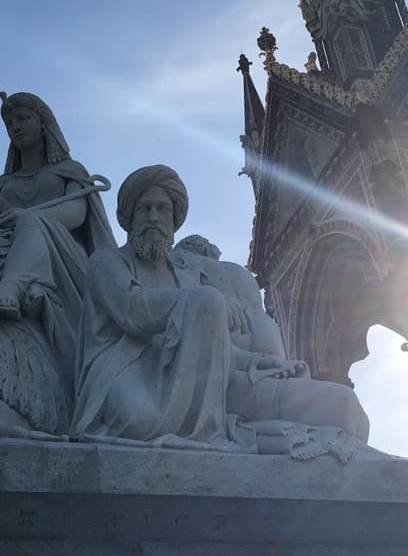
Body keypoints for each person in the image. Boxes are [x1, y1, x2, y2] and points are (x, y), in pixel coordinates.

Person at [72, 165, 368, 447]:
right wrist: (206, 301)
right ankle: (233, 434)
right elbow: (133, 310)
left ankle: (254, 432)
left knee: (342, 406)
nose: (153, 217)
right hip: (127, 370)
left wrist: (260, 363)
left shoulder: (187, 280)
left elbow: (215, 346)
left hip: (206, 383)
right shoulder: (106, 263)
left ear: (174, 219)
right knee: (140, 422)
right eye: (144, 208)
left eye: (162, 209)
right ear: (128, 217)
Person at [0, 92, 115, 330]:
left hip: (53, 247)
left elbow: (76, 212)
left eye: (23, 118)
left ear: (43, 123)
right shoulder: (4, 183)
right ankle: (6, 274)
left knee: (29, 222)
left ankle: (16, 283)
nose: (16, 127)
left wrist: (29, 219)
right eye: (9, 124)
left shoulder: (70, 169)